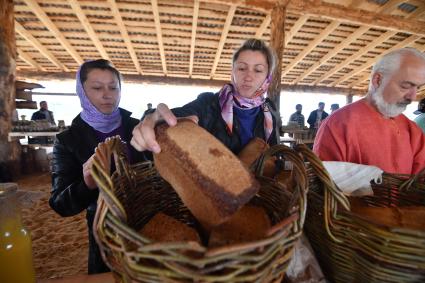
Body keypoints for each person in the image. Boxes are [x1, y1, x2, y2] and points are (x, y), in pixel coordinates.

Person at [49, 59, 147, 274]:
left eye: (113, 87)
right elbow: (60, 204)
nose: (107, 94)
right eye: (97, 88)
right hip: (104, 231)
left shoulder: (137, 127)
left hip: (147, 221)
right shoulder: (68, 140)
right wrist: (87, 183)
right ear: (81, 91)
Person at [131, 38, 281, 156]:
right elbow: (178, 117)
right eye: (242, 68)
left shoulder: (270, 110)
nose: (248, 76)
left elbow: (274, 153)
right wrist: (154, 120)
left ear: (268, 77)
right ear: (232, 71)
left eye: (258, 70)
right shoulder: (209, 104)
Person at [313, 48, 425, 174]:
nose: (413, 97)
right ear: (378, 80)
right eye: (406, 86)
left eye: (418, 87)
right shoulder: (338, 124)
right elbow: (324, 185)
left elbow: (419, 182)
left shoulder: (412, 131)